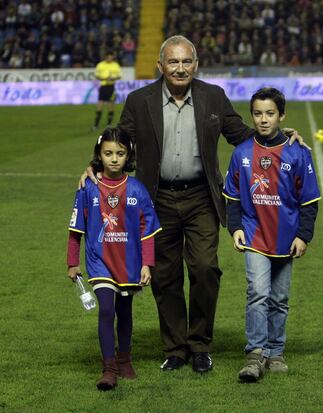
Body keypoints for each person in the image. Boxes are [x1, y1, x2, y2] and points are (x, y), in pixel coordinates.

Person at [81, 35, 304, 374]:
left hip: (202, 196)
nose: (180, 68)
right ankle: (175, 349)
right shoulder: (139, 101)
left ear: (196, 65)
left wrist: (281, 140)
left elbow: (242, 134)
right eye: (173, 62)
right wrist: (95, 166)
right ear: (161, 66)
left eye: (187, 62)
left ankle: (200, 345)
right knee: (165, 275)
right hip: (157, 201)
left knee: (204, 268)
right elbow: (118, 140)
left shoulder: (213, 96)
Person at [223, 87, 321, 383]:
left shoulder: (298, 152)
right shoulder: (241, 152)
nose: (263, 120)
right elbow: (232, 196)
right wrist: (235, 227)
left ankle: (276, 351)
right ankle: (255, 353)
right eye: (257, 113)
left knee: (279, 298)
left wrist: (303, 235)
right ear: (251, 115)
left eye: (269, 114)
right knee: (258, 293)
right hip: (254, 236)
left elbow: (309, 200)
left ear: (281, 116)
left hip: (286, 238)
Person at [67, 128, 161, 390]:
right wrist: (72, 262)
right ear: (99, 154)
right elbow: (76, 229)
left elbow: (148, 230)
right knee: (106, 309)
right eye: (108, 153)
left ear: (128, 155)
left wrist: (147, 263)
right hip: (99, 262)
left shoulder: (137, 189)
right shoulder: (87, 189)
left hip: (129, 263)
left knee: (124, 311)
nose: (114, 159)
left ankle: (125, 360)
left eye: (120, 153)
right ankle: (108, 369)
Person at [92, 51, 122, 131]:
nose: (110, 58)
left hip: (111, 87)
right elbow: (96, 75)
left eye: (111, 57)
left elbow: (119, 76)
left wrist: (113, 78)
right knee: (99, 105)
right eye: (108, 56)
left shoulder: (115, 65)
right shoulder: (100, 65)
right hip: (103, 87)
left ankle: (109, 124)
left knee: (110, 106)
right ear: (105, 57)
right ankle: (95, 125)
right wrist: (104, 78)